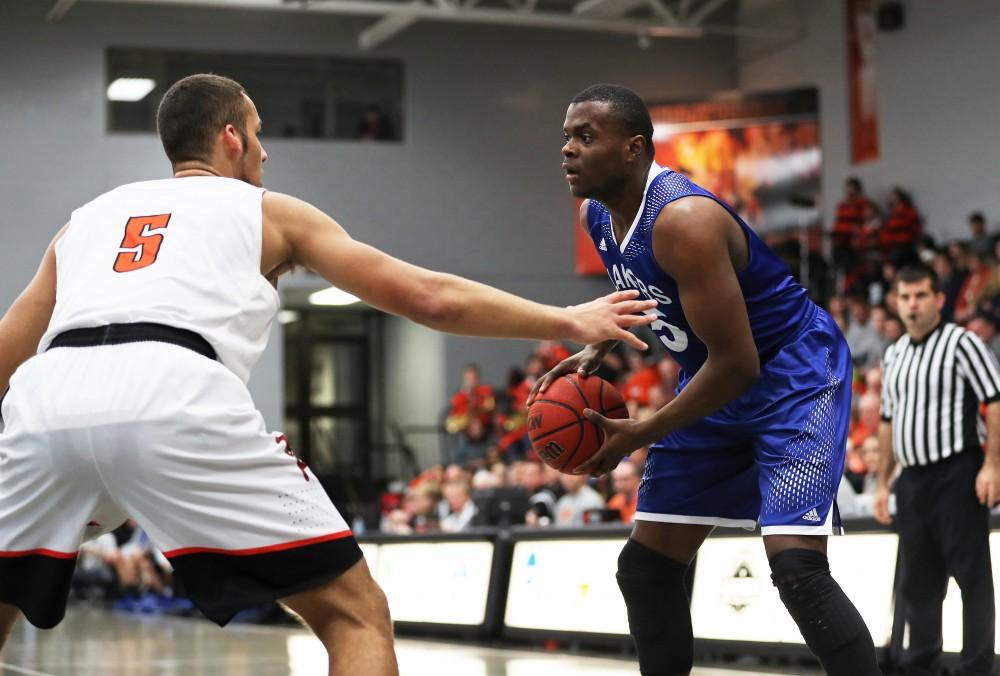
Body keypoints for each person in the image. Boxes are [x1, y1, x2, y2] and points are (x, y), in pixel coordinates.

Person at [0, 74, 660, 674]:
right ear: (232, 137)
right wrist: (569, 319)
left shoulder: (83, 224)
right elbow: (427, 296)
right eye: (258, 136)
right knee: (355, 616)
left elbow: (7, 353)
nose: (264, 154)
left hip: (44, 401)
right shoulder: (266, 210)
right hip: (171, 392)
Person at [531, 83, 878, 675]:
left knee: (798, 573)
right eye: (566, 137)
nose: (568, 150)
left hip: (792, 372)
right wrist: (603, 343)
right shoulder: (597, 214)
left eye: (585, 137)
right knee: (644, 570)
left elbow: (739, 364)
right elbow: (648, 290)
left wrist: (637, 434)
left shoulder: (684, 219)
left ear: (634, 149)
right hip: (713, 370)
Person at [874, 263, 1000, 676]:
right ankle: (920, 665)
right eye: (905, 297)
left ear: (939, 299)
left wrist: (992, 465)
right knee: (919, 583)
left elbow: (995, 403)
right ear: (896, 302)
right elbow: (888, 421)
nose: (912, 305)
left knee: (972, 577)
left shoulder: (961, 343)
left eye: (920, 296)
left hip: (957, 473)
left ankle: (976, 668)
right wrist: (881, 483)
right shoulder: (893, 355)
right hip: (911, 481)